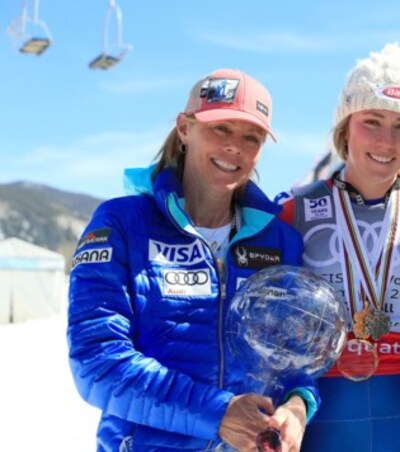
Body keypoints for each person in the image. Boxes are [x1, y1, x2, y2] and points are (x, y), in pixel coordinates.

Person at [67, 68, 318, 452]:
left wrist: (298, 405)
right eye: (221, 128)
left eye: (251, 137)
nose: (235, 146)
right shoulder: (122, 223)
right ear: (185, 128)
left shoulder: (281, 241)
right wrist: (216, 413)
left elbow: (295, 356)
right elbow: (97, 362)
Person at [278, 43, 400, 451]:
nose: (386, 140)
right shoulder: (293, 211)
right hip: (323, 412)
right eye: (373, 121)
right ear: (345, 127)